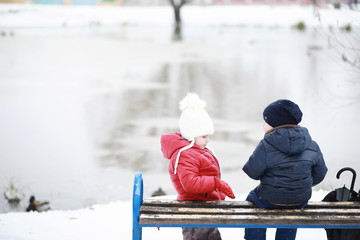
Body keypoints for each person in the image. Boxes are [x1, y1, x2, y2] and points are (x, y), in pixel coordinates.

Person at [242, 99, 328, 240]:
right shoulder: (312, 144)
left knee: (253, 199)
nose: (263, 125)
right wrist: (299, 182)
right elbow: (320, 173)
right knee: (291, 210)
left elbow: (252, 172)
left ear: (275, 124)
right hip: (300, 200)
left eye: (266, 121)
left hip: (270, 199)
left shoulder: (266, 145)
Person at [161, 93, 235, 240]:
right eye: (203, 136)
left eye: (208, 135)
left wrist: (217, 193)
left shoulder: (197, 150)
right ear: (190, 135)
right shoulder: (186, 155)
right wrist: (216, 183)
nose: (208, 140)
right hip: (193, 209)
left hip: (203, 206)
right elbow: (190, 183)